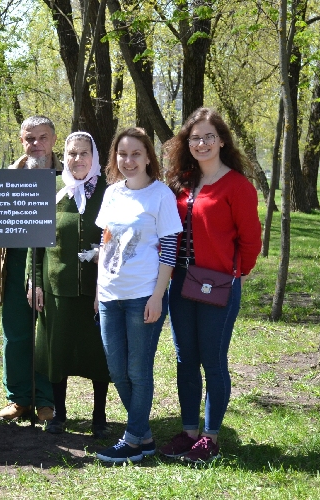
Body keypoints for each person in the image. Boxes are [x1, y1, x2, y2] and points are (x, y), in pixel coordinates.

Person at [159, 108, 262, 463]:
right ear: (186, 144)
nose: (201, 143)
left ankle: (211, 437)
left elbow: (251, 240)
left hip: (217, 284)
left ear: (221, 140)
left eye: (208, 137)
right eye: (195, 138)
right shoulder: (181, 182)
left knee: (213, 361)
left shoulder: (237, 185)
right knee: (186, 359)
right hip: (181, 282)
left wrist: (236, 274)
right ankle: (189, 432)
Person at [93, 128, 183, 463]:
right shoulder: (113, 193)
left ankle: (132, 441)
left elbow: (170, 249)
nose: (128, 161)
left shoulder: (160, 195)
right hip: (109, 296)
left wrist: (158, 296)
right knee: (117, 370)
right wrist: (97, 291)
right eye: (122, 154)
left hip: (143, 296)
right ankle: (143, 435)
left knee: (138, 370)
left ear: (148, 157)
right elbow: (105, 244)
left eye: (135, 154)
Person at [26, 132, 111, 437]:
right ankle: (59, 415)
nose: (77, 159)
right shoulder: (54, 191)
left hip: (96, 291)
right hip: (56, 289)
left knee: (97, 357)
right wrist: (34, 281)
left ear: (94, 156)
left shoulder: (109, 192)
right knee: (57, 355)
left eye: (84, 153)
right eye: (72, 153)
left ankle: (99, 417)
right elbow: (35, 240)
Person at [0, 115, 62, 423]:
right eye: (29, 139)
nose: (36, 144)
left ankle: (46, 399)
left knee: (48, 335)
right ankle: (19, 398)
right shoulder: (8, 176)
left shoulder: (67, 175)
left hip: (53, 264)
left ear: (53, 140)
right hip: (16, 262)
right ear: (22, 141)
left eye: (42, 137)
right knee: (16, 333)